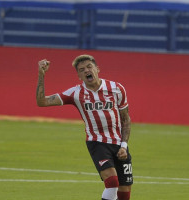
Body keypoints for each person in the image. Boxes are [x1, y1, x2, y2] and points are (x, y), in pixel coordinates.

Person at [36, 55, 133, 200]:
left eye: (89, 67)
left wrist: (124, 145)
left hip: (118, 143)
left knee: (124, 191)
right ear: (79, 76)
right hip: (97, 142)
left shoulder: (117, 89)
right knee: (112, 182)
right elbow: (42, 102)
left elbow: (126, 119)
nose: (87, 71)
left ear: (97, 69)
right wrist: (41, 75)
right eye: (82, 70)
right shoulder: (75, 93)